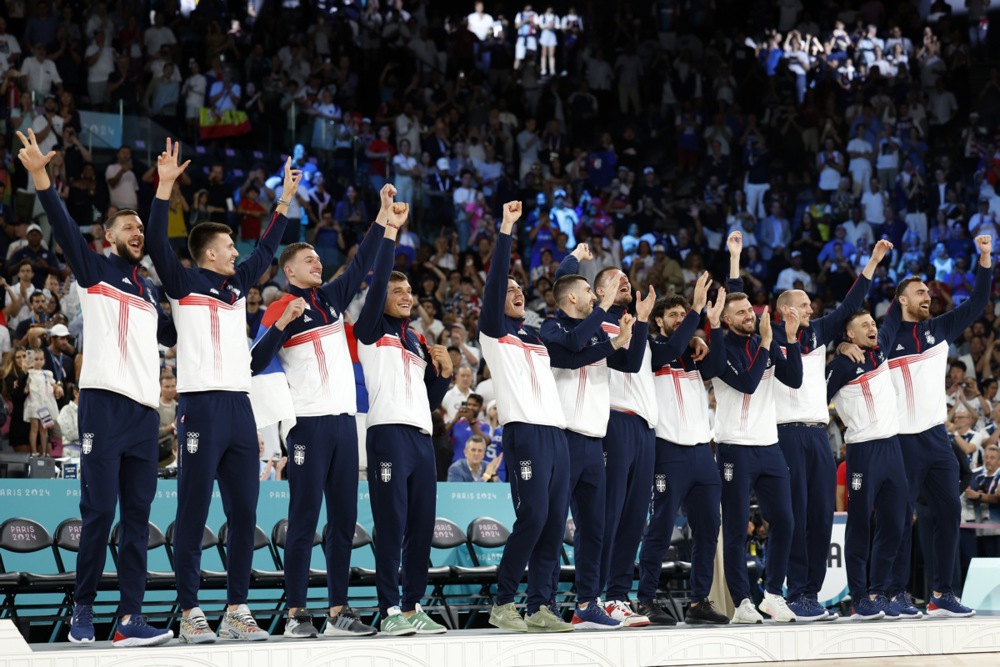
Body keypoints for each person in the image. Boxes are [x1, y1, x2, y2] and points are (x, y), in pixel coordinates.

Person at [16, 127, 176, 647]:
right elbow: (63, 229)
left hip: (145, 415)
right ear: (110, 236)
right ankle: (83, 609)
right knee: (99, 513)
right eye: (128, 225)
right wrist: (42, 178)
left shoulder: (151, 292)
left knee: (137, 520)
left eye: (140, 226)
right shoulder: (96, 270)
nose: (137, 231)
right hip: (104, 406)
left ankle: (129, 619)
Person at [145, 139, 300, 643]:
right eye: (231, 247)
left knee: (245, 513)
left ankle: (237, 608)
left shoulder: (237, 289)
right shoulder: (182, 281)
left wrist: (282, 205)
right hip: (200, 407)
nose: (239, 253)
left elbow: (267, 251)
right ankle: (190, 611)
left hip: (240, 408)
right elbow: (155, 243)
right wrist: (165, 188)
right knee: (193, 510)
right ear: (210, 252)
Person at [248, 186, 396, 640]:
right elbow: (254, 361)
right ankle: (296, 613)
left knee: (344, 521)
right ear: (288, 269)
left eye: (317, 258)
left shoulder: (330, 300)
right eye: (308, 260)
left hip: (343, 423)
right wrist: (281, 324)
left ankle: (338, 609)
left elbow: (362, 263)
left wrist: (383, 218)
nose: (317, 263)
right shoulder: (279, 306)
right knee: (305, 518)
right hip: (308, 426)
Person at [728, 231, 895, 621]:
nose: (810, 308)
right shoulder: (765, 336)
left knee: (821, 515)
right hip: (782, 434)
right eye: (803, 304)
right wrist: (735, 259)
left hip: (819, 433)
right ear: (785, 310)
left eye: (809, 304)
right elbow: (733, 307)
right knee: (794, 516)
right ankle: (784, 592)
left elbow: (852, 302)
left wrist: (872, 261)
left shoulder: (819, 332)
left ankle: (810, 595)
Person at [876, 234, 993, 618]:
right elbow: (873, 344)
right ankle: (891, 592)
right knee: (898, 520)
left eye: (929, 291)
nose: (928, 296)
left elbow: (977, 303)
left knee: (949, 514)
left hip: (937, 438)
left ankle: (943, 592)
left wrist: (985, 258)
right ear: (902, 300)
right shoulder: (888, 336)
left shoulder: (939, 328)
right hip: (902, 441)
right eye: (919, 292)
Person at [539, 248, 651, 630]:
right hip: (562, 438)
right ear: (574, 297)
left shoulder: (596, 330)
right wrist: (600, 306)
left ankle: (587, 601)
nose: (594, 296)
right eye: (588, 291)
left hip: (594, 440)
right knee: (554, 525)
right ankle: (545, 603)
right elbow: (572, 348)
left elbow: (631, 361)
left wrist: (640, 326)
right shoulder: (552, 328)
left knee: (595, 528)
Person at [355, 199, 452, 637]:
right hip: (388, 434)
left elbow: (428, 397)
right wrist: (391, 233)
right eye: (399, 292)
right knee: (391, 524)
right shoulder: (371, 329)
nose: (407, 296)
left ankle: (412, 606)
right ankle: (389, 608)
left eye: (410, 292)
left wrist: (444, 377)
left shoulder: (415, 340)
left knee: (420, 527)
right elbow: (377, 287)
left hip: (420, 437)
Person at [481, 202, 572, 634]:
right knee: (533, 516)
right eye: (509, 287)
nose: (516, 291)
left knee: (554, 523)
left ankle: (541, 605)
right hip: (525, 434)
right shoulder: (493, 331)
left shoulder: (534, 335)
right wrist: (506, 230)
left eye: (521, 289)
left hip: (557, 434)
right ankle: (502, 603)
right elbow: (498, 279)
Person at [637, 279, 731, 626]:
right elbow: (673, 342)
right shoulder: (649, 350)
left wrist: (714, 325)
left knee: (708, 528)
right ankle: (645, 598)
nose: (680, 318)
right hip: (668, 450)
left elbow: (718, 365)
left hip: (701, 453)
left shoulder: (693, 355)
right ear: (658, 320)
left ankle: (698, 602)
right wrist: (695, 311)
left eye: (683, 313)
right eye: (673, 314)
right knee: (660, 526)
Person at [713, 288, 802, 624]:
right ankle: (741, 603)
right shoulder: (721, 349)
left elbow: (793, 379)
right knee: (737, 528)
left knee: (785, 519)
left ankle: (774, 593)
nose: (749, 315)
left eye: (750, 310)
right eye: (740, 313)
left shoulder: (763, 342)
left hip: (769, 445)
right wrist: (767, 343)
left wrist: (790, 340)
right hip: (734, 446)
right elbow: (748, 384)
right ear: (726, 319)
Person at [827, 301, 905, 620]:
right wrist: (839, 347)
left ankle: (879, 591)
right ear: (849, 334)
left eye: (873, 322)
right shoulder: (842, 364)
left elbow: (898, 312)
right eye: (864, 325)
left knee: (895, 523)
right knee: (859, 524)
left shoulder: (882, 348)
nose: (873, 327)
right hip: (862, 451)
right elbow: (817, 398)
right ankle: (859, 596)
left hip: (892, 448)